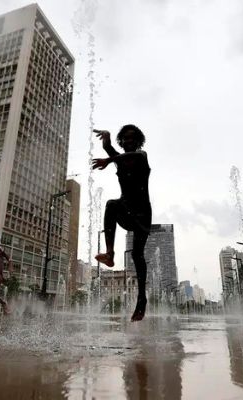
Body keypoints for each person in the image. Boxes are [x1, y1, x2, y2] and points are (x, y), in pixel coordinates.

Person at [91, 124, 151, 321]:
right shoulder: (120, 160)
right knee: (111, 204)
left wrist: (109, 159)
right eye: (124, 138)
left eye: (132, 138)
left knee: (137, 254)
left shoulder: (141, 156)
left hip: (142, 213)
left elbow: (126, 157)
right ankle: (110, 254)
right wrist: (107, 138)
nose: (128, 141)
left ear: (138, 141)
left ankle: (141, 299)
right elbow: (110, 150)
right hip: (126, 210)